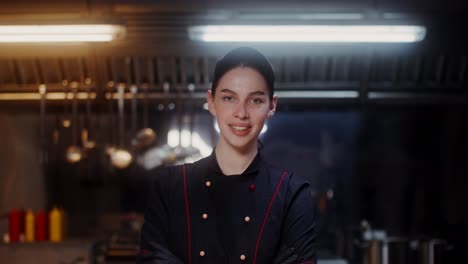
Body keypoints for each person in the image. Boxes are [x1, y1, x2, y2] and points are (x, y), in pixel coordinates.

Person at [137, 47, 317, 264]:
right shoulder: (169, 186)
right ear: (211, 102)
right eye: (229, 98)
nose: (241, 113)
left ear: (272, 106)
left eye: (256, 100)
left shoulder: (292, 193)